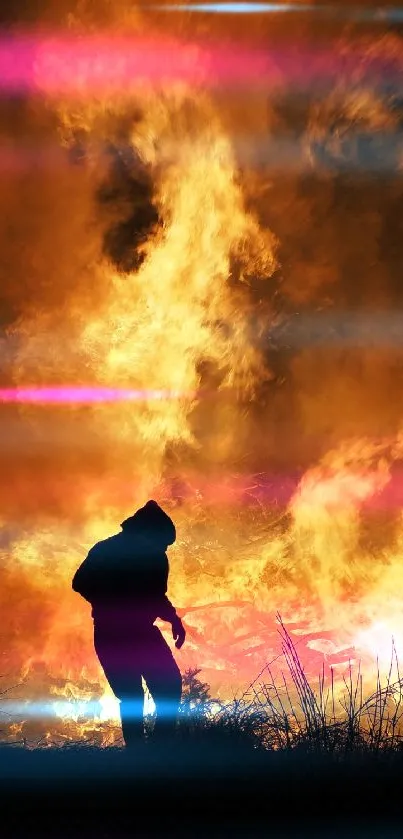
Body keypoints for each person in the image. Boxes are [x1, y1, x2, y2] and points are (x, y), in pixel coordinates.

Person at [72, 499, 186, 746]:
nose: (164, 549)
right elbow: (80, 583)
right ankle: (140, 754)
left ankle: (158, 747)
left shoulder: (154, 557)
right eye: (162, 542)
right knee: (134, 695)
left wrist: (173, 618)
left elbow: (156, 596)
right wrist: (112, 603)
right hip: (113, 633)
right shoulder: (106, 551)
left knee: (167, 685)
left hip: (139, 632)